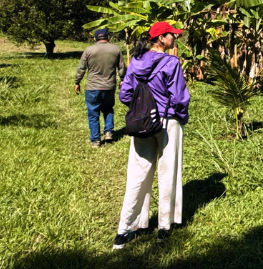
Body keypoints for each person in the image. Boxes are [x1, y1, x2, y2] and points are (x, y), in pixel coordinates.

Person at [113, 21, 190, 249]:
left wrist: (140, 110)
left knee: (137, 175)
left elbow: (125, 94)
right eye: (172, 35)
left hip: (142, 122)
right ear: (161, 38)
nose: (174, 39)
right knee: (168, 173)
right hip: (167, 122)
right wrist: (180, 116)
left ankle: (125, 228)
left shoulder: (136, 61)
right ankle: (164, 228)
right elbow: (179, 97)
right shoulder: (171, 62)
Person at [75, 28, 125, 148]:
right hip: (109, 86)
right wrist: (123, 80)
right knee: (108, 109)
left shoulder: (89, 50)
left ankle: (95, 140)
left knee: (93, 113)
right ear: (108, 37)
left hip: (93, 86)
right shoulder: (116, 49)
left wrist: (77, 81)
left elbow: (81, 68)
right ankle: (108, 132)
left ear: (95, 38)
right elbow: (122, 67)